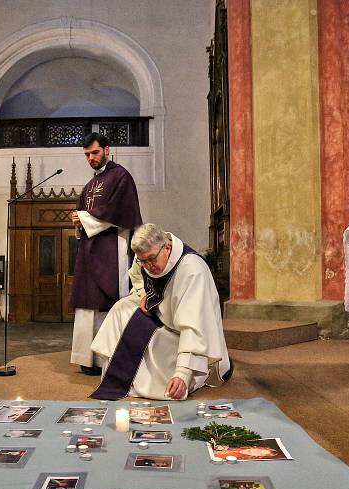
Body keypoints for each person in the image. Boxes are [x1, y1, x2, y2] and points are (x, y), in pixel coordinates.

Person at [90, 223, 231, 400]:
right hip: (161, 317)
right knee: (121, 309)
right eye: (143, 261)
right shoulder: (146, 255)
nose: (148, 266)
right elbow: (137, 276)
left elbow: (194, 327)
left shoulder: (192, 271)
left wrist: (182, 373)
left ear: (167, 247)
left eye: (151, 259)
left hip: (186, 338)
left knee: (159, 357)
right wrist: (144, 294)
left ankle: (164, 379)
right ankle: (116, 373)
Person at [70, 133, 143, 376]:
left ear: (107, 149)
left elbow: (119, 210)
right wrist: (78, 221)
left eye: (95, 153)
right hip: (90, 250)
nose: (91, 158)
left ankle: (105, 358)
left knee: (106, 301)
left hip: (112, 247)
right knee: (87, 300)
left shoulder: (120, 176)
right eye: (87, 155)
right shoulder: (90, 184)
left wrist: (83, 218)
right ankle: (85, 357)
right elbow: (83, 211)